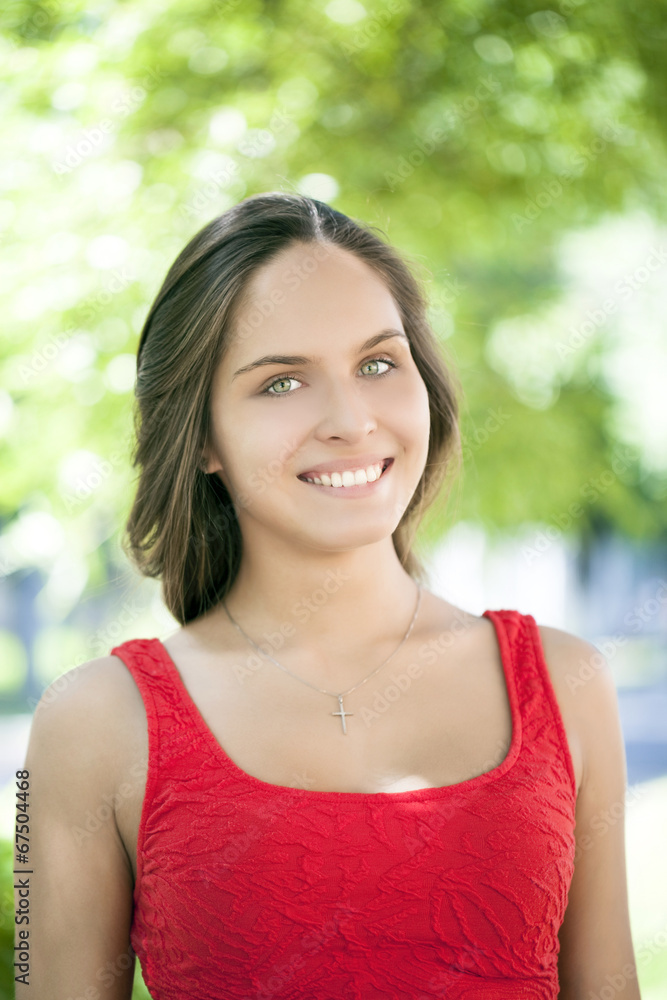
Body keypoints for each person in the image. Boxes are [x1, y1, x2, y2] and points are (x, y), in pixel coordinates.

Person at [18, 192, 641, 999]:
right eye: (281, 383)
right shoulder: (91, 722)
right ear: (201, 436)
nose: (350, 419)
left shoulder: (569, 684)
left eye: (378, 364)